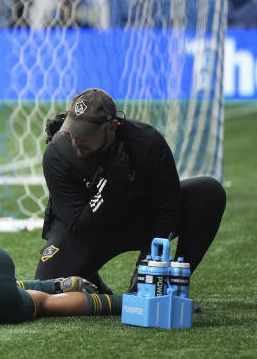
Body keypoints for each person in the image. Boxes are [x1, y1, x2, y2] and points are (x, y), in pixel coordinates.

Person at [34, 88, 226, 295]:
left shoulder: (147, 143)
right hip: (86, 228)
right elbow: (79, 227)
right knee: (49, 289)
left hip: (139, 220)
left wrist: (146, 271)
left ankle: (170, 285)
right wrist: (111, 184)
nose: (76, 141)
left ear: (112, 127)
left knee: (208, 192)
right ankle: (94, 284)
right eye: (73, 131)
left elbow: (168, 209)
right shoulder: (58, 153)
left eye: (85, 134)